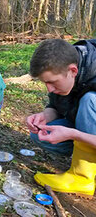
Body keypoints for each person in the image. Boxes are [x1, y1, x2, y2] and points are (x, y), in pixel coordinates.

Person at [26, 39, 96, 198]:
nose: (49, 88)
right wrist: (44, 116)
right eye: (45, 83)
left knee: (90, 100)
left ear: (73, 70)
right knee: (39, 134)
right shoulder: (67, 64)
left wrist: (73, 134)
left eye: (52, 82)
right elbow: (57, 106)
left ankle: (83, 177)